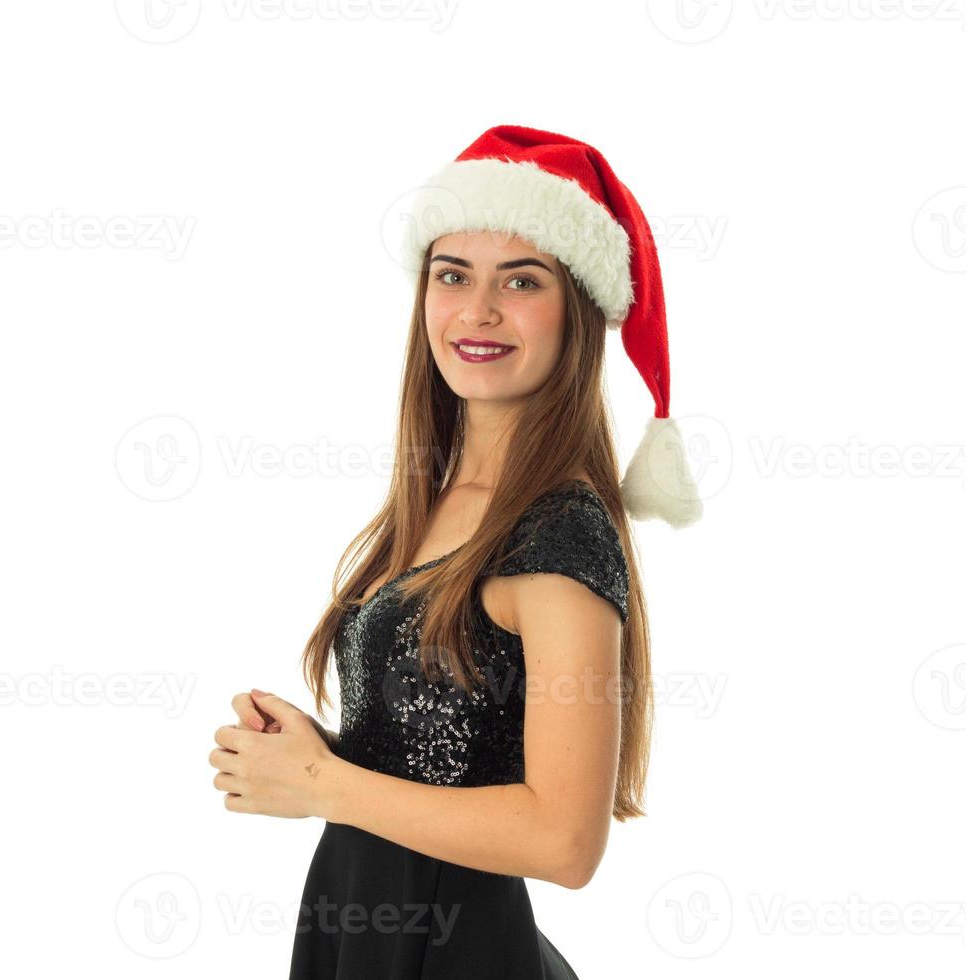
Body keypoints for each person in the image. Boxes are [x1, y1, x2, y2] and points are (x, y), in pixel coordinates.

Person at [207, 123, 702, 978]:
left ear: (577, 309)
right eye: (452, 275)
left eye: (522, 280)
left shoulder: (556, 532)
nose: (478, 310)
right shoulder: (437, 504)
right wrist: (318, 758)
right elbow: (443, 763)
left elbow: (564, 840)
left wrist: (324, 787)